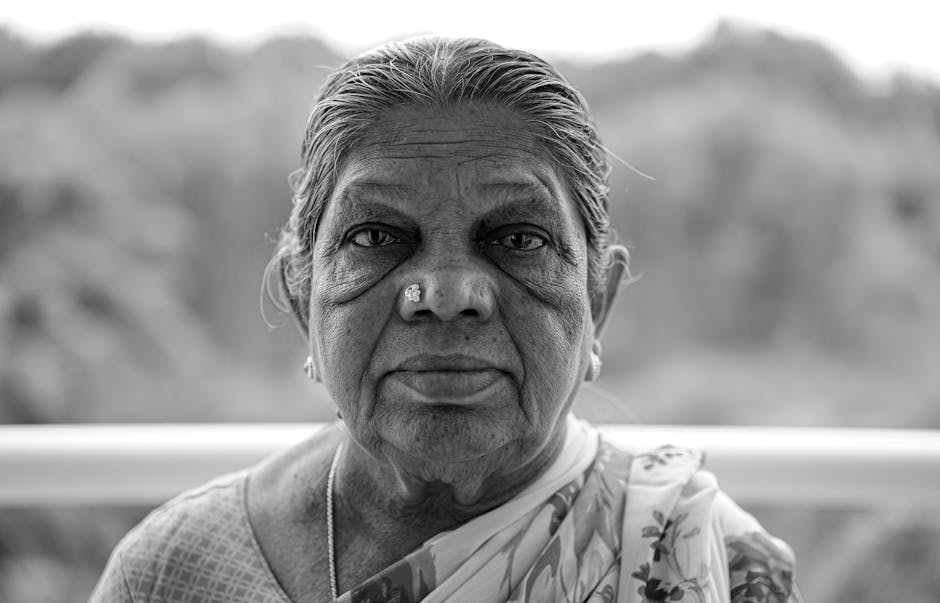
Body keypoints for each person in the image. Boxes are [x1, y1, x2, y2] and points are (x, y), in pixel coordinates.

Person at [90, 36, 800, 602]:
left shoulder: (713, 564)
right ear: (304, 298)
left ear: (599, 300)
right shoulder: (171, 573)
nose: (449, 290)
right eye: (377, 237)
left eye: (517, 238)